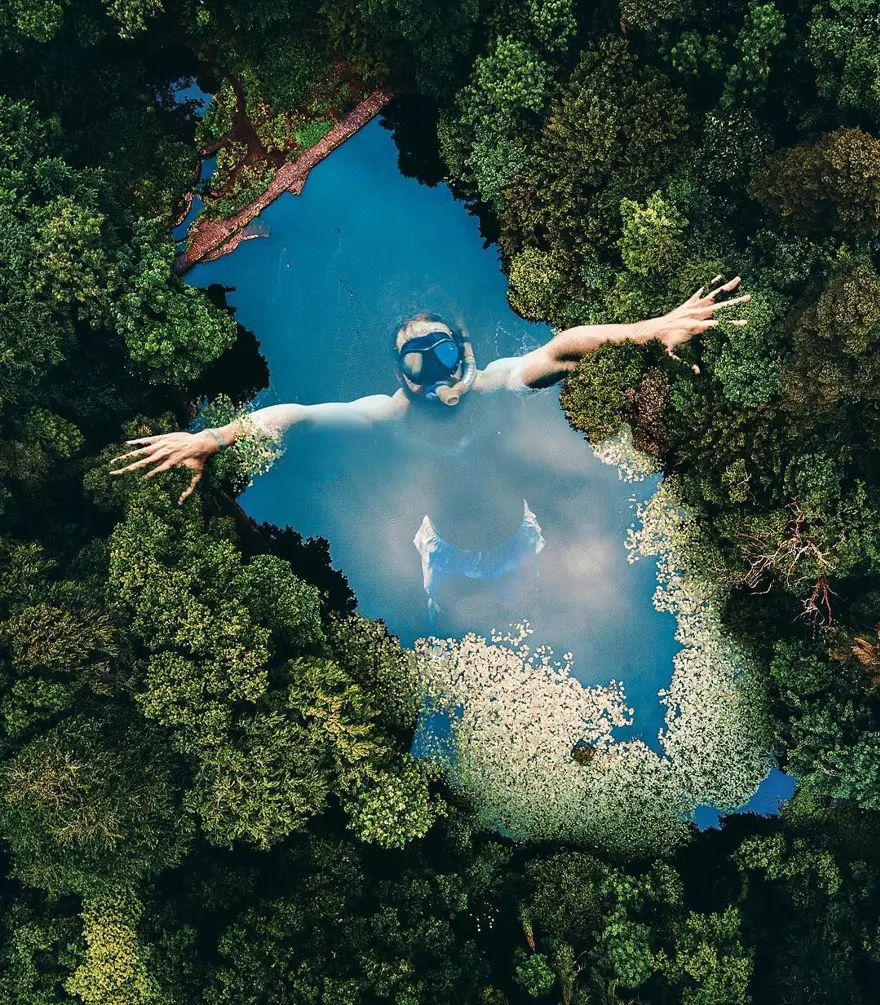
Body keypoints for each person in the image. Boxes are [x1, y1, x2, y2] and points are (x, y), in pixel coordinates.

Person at [110, 275, 750, 633]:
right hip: (442, 546)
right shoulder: (390, 415)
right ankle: (449, 624)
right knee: (443, 606)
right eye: (417, 366)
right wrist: (215, 437)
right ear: (401, 376)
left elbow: (565, 346)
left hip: (513, 537)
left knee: (519, 589)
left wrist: (647, 328)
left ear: (464, 347)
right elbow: (298, 415)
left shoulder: (498, 382)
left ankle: (512, 609)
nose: (436, 378)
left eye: (444, 356)